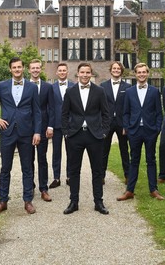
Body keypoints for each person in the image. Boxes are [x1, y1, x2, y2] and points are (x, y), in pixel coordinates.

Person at [0, 57, 42, 214]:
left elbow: (37, 111)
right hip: (7, 132)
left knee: (27, 168)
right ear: (10, 69)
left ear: (23, 68)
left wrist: (37, 131)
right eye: (14, 67)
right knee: (5, 168)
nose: (17, 69)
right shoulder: (2, 86)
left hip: (26, 133)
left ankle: (28, 201)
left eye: (19, 67)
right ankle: (3, 200)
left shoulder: (32, 87)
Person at [62, 62, 110, 215]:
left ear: (91, 74)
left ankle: (98, 202)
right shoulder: (70, 91)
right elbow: (64, 114)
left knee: (97, 171)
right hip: (75, 135)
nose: (84, 75)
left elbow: (106, 114)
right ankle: (73, 202)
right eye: (82, 72)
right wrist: (66, 133)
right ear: (77, 73)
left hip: (94, 135)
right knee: (74, 170)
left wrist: (104, 132)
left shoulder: (99, 91)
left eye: (87, 72)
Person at [117, 63, 165, 201]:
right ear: (135, 74)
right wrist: (128, 127)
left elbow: (159, 112)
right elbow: (126, 112)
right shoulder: (129, 91)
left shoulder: (154, 91)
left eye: (144, 72)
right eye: (139, 72)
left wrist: (157, 129)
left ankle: (153, 190)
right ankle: (130, 190)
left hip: (150, 131)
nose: (142, 74)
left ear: (147, 74)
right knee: (134, 160)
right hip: (134, 131)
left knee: (151, 160)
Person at [100, 61, 131, 185]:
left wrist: (126, 125)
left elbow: (128, 107)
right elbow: (100, 106)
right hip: (107, 123)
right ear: (111, 70)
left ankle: (128, 176)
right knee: (104, 150)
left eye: (118, 68)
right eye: (114, 68)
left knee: (124, 150)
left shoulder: (127, 87)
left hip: (121, 123)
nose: (116, 70)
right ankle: (101, 176)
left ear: (121, 71)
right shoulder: (103, 86)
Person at [28, 59, 55, 202]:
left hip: (43, 127)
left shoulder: (47, 87)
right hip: (27, 127)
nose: (35, 70)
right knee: (28, 159)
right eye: (33, 68)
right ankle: (30, 187)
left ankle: (43, 189)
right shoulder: (24, 85)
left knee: (42, 159)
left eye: (37, 68)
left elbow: (52, 107)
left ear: (40, 69)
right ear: (29, 70)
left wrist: (50, 126)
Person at [49, 63, 74, 188]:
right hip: (56, 124)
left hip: (71, 125)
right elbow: (50, 107)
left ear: (67, 72)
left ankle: (70, 177)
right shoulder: (51, 87)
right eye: (60, 70)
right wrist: (50, 125)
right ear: (57, 72)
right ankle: (56, 178)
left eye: (64, 70)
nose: (62, 72)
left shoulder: (74, 86)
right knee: (56, 152)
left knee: (71, 152)